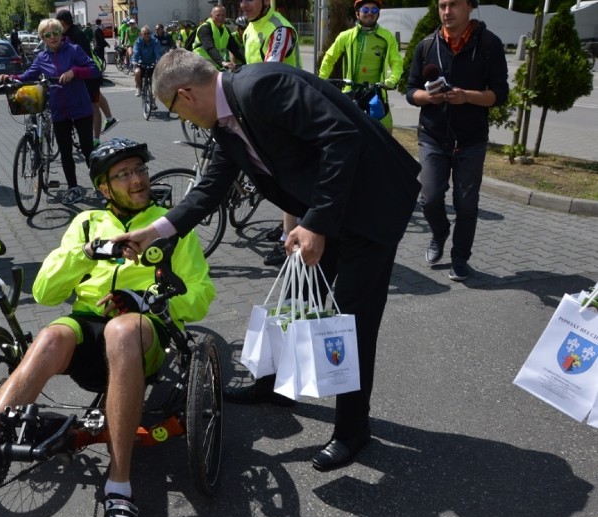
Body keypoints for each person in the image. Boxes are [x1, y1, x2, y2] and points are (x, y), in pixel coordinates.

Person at [113, 49, 422, 472]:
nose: (181, 119)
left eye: (174, 110)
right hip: (328, 209)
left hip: (370, 205)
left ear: (185, 94)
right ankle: (275, 385)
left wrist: (315, 223)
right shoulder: (226, 122)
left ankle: (353, 430)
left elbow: (341, 138)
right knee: (296, 299)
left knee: (349, 321)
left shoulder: (262, 86)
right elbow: (210, 189)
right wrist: (157, 231)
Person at [0, 138, 215, 517]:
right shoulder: (87, 224)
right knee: (51, 335)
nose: (137, 179)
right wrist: (84, 255)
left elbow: (201, 294)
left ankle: (121, 490)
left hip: (144, 331)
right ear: (104, 188)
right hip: (89, 327)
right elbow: (44, 290)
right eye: (123, 174)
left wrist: (144, 301)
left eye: (139, 169)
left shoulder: (169, 224)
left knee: (122, 331)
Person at [406, 0, 509, 282]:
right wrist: (426, 97)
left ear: (470, 7)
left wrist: (468, 96)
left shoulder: (489, 44)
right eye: (442, 5)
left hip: (471, 139)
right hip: (433, 137)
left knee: (466, 205)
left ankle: (460, 258)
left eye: (453, 5)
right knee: (429, 199)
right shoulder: (426, 45)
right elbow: (410, 89)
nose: (446, 11)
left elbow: (499, 94)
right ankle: (439, 233)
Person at [0, 18, 100, 204]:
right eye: (47, 35)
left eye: (55, 33)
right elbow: (28, 76)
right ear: (42, 38)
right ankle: (73, 188)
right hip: (58, 110)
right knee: (65, 152)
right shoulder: (42, 57)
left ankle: (100, 184)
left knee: (87, 149)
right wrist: (11, 77)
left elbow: (94, 69)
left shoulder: (74, 50)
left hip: (80, 108)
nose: (52, 37)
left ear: (62, 33)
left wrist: (74, 72)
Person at [239, 0, 303, 267]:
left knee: (287, 178)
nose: (244, 4)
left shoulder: (280, 29)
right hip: (263, 108)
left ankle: (289, 239)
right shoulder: (249, 29)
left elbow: (268, 71)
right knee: (276, 174)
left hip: (286, 110)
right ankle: (285, 224)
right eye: (241, 0)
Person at [318, 0, 403, 131]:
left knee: (384, 135)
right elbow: (329, 58)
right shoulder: (346, 36)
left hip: (376, 93)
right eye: (365, 10)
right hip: (350, 93)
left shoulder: (387, 37)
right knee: (346, 134)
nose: (370, 13)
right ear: (357, 13)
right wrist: (321, 81)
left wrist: (392, 80)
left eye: (374, 10)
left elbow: (397, 62)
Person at [56, 10, 117, 147]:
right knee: (96, 99)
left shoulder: (76, 35)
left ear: (63, 23)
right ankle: (110, 118)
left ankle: (95, 139)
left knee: (94, 106)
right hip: (85, 76)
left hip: (90, 76)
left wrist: (74, 71)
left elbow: (84, 58)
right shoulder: (69, 33)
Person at [191, 5, 245, 71]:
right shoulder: (205, 28)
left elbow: (235, 48)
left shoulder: (225, 30)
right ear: (211, 16)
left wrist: (247, 61)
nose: (220, 18)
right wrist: (223, 62)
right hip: (200, 65)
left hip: (216, 66)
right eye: (218, 15)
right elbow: (210, 48)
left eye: (223, 15)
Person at [132, 26, 162, 103]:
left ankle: (153, 102)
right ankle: (138, 87)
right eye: (145, 34)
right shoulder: (138, 42)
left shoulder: (155, 41)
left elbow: (157, 52)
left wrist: (159, 61)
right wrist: (135, 61)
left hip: (152, 63)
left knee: (154, 81)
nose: (147, 35)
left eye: (148, 33)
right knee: (137, 72)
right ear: (141, 35)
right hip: (141, 63)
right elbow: (136, 52)